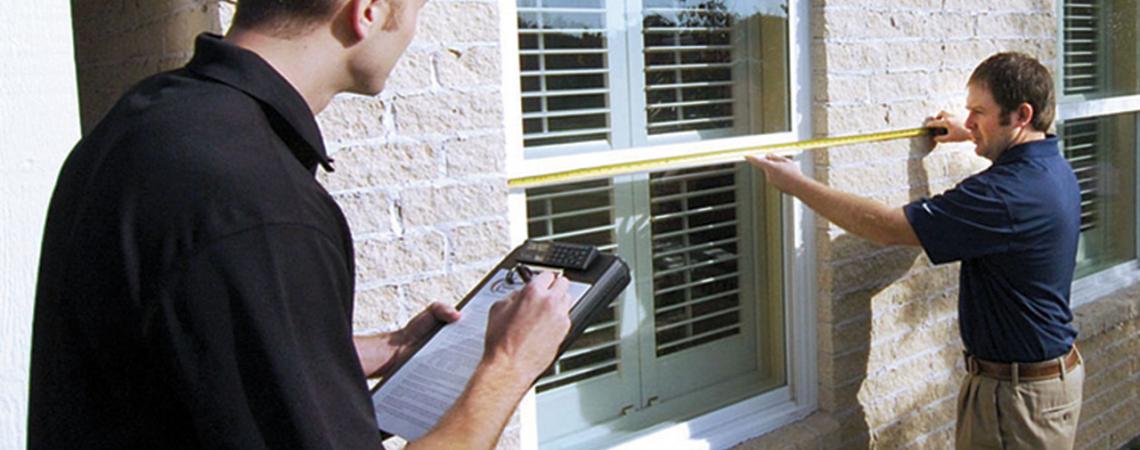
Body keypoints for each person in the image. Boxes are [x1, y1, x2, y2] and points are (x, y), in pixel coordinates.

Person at [28, 0, 572, 448]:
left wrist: (382, 349)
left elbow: (189, 356)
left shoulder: (151, 116)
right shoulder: (261, 206)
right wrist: (509, 365)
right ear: (369, 11)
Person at [747, 52, 1083, 449]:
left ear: (1021, 115)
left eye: (979, 111)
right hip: (1041, 382)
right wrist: (973, 133)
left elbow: (887, 228)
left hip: (1014, 399)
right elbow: (1007, 176)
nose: (970, 120)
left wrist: (796, 184)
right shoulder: (1051, 168)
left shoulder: (1007, 195)